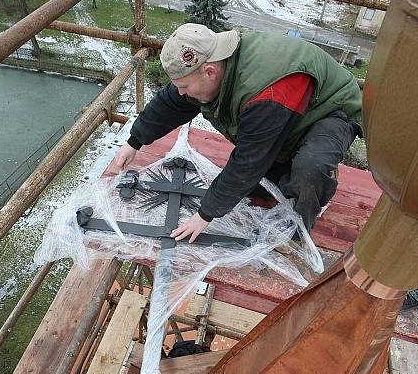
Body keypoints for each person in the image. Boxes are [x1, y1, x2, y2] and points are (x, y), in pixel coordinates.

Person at [107, 23, 362, 243]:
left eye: (184, 86)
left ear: (209, 71)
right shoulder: (210, 65)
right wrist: (134, 141)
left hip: (329, 109)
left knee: (308, 169)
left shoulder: (264, 93)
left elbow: (248, 160)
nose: (182, 92)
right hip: (287, 110)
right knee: (263, 186)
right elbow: (171, 103)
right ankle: (285, 164)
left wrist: (205, 214)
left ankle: (300, 227)